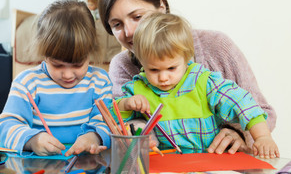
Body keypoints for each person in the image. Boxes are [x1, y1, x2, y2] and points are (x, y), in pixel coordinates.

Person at [98, 0, 277, 154]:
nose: (129, 32)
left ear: (162, 7)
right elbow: (120, 120)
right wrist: (136, 128)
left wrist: (239, 133)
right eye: (117, 24)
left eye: (137, 16)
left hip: (222, 166)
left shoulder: (215, 51)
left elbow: (257, 108)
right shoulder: (125, 69)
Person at [116, 12, 279, 159]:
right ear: (141, 62)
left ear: (186, 57)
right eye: (153, 69)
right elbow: (114, 118)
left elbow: (243, 103)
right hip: (167, 166)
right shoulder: (138, 88)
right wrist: (126, 105)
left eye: (172, 68)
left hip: (211, 159)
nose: (163, 77)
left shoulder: (203, 82)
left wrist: (262, 137)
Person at [0, 0, 112, 156]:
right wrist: (32, 140)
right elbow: (7, 124)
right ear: (44, 53)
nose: (68, 75)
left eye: (77, 65)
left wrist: (94, 136)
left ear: (90, 51)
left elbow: (107, 122)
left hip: (87, 167)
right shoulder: (27, 83)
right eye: (57, 65)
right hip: (39, 168)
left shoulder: (100, 81)